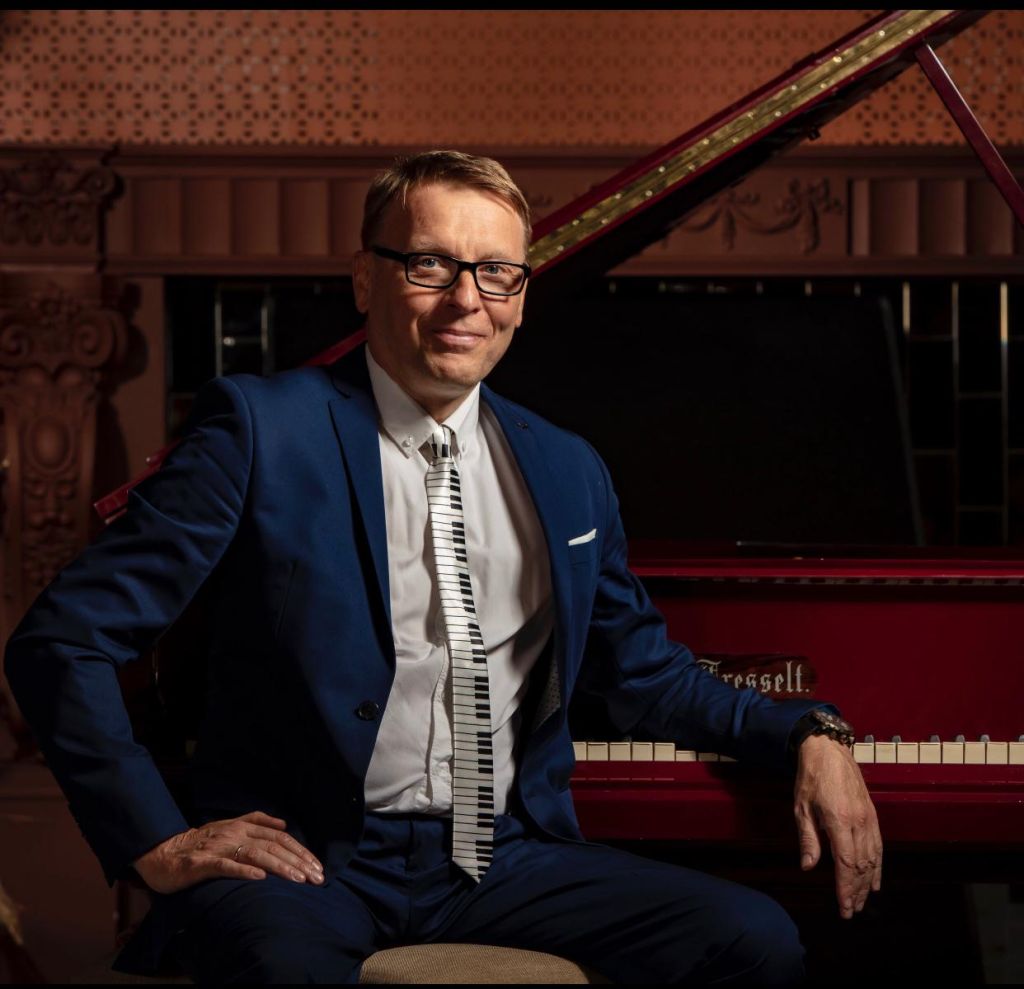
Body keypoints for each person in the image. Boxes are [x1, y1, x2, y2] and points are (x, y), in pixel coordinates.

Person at [4, 150, 881, 984]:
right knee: (282, 969)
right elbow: (63, 640)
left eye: (496, 272)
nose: (467, 299)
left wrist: (810, 732)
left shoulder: (569, 468)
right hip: (307, 856)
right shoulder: (261, 430)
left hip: (505, 856)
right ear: (365, 279)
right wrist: (156, 840)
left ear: (521, 297)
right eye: (430, 264)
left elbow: (645, 675)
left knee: (755, 941)